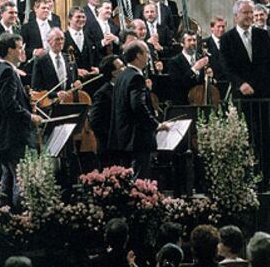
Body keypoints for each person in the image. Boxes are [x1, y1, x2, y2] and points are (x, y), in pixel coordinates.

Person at [220, 0, 270, 190]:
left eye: (251, 13)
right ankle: (245, 181)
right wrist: (240, 84)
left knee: (265, 138)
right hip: (242, 99)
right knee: (244, 138)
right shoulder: (227, 38)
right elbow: (226, 68)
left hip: (263, 96)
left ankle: (266, 180)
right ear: (236, 16)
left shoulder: (262, 35)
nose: (249, 16)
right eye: (245, 13)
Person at [0, 33, 42, 208]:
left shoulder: (3, 69)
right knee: (22, 180)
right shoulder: (7, 71)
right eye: (19, 48)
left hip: (7, 137)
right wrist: (30, 116)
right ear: (10, 50)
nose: (22, 52)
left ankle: (7, 218)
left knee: (7, 181)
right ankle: (21, 219)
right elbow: (9, 105)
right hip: (14, 137)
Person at [108, 40, 168, 179]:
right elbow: (138, 106)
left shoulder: (122, 76)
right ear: (138, 56)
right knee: (139, 182)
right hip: (137, 139)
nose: (149, 56)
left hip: (123, 137)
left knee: (126, 181)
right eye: (146, 52)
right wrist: (156, 124)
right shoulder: (136, 77)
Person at [89, 54, 125, 167]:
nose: (125, 69)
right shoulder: (102, 94)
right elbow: (95, 122)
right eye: (122, 67)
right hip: (109, 149)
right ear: (113, 73)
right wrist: (114, 135)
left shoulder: (124, 88)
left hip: (124, 147)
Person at [31, 28, 81, 97]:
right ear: (49, 42)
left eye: (62, 39)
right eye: (57, 39)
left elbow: (75, 80)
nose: (60, 42)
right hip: (50, 104)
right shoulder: (41, 61)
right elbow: (36, 89)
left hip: (69, 101)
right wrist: (55, 94)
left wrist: (77, 84)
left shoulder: (69, 59)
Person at [167, 31, 208, 105]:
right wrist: (194, 69)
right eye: (189, 40)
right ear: (182, 43)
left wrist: (209, 76)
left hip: (201, 102)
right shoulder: (174, 62)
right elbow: (177, 85)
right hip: (183, 104)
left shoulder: (202, 58)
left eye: (194, 40)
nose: (192, 43)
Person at [64, 6, 99, 79]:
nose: (81, 19)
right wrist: (75, 70)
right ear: (70, 19)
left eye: (83, 17)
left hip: (91, 80)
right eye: (78, 17)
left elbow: (96, 56)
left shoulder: (91, 36)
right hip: (71, 81)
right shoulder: (63, 38)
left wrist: (97, 68)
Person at [203, 16, 227, 81]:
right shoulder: (204, 44)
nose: (221, 29)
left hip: (228, 84)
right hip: (213, 84)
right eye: (218, 26)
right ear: (212, 28)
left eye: (223, 27)